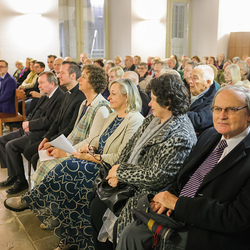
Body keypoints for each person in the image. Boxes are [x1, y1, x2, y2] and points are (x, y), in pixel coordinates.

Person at [4, 78, 144, 250]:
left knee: (68, 167)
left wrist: (89, 156)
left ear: (127, 98)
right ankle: (67, 234)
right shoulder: (114, 115)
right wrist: (89, 147)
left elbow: (120, 156)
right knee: (66, 173)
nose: (109, 97)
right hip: (96, 160)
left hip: (109, 169)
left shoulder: (135, 120)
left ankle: (32, 200)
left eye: (114, 94)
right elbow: (98, 139)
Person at [117, 85, 250, 250]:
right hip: (179, 215)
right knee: (131, 225)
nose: (222, 115)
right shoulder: (210, 136)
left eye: (232, 109)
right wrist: (169, 198)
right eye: (217, 109)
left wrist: (178, 204)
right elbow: (183, 177)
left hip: (210, 232)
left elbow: (238, 218)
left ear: (248, 114)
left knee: (134, 235)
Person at [90, 71, 197, 250]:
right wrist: (116, 170)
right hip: (131, 182)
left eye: (153, 99)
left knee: (101, 211)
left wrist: (121, 173)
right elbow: (129, 148)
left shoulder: (181, 134)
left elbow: (158, 176)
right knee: (95, 202)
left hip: (148, 194)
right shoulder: (153, 120)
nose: (149, 103)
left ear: (168, 101)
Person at [31, 64, 111, 185]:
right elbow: (74, 131)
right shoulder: (84, 102)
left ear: (94, 82)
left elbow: (92, 141)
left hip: (85, 155)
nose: (79, 79)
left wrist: (65, 152)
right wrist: (59, 147)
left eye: (83, 77)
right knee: (43, 160)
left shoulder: (102, 108)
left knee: (49, 166)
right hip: (75, 148)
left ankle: (50, 201)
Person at [0, 71, 64, 194]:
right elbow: (33, 112)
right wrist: (27, 123)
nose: (38, 86)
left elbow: (51, 121)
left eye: (41, 83)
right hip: (29, 129)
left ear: (51, 83)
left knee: (11, 145)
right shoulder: (45, 94)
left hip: (39, 133)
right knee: (2, 140)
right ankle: (12, 175)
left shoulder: (60, 97)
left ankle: (21, 181)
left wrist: (30, 125)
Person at [23, 61, 86, 171]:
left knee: (35, 158)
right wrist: (46, 138)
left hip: (67, 141)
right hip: (57, 137)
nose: (58, 76)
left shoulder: (81, 97)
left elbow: (71, 127)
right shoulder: (67, 94)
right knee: (28, 151)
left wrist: (51, 142)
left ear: (73, 76)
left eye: (62, 73)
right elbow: (57, 121)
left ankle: (47, 185)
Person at [187, 65, 217, 136]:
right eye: (190, 77)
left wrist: (177, 111)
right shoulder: (188, 92)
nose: (190, 81)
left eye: (195, 78)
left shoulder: (214, 99)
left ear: (207, 83)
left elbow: (199, 121)